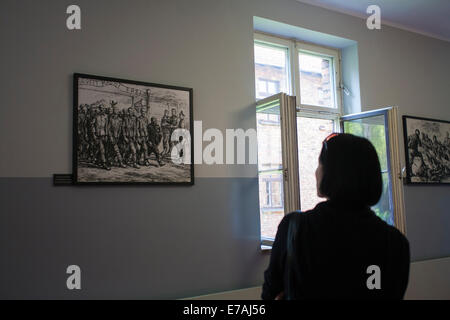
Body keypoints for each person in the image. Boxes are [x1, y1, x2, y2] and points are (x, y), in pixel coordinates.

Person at [262, 133, 410, 300]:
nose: (316, 172)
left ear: (333, 173)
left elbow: (270, 293)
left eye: (320, 164)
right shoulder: (395, 242)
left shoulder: (296, 228)